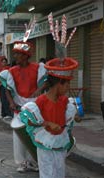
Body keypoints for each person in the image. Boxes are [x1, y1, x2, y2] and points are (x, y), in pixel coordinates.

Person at [19, 13, 80, 178]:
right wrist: (47, 123)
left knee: (60, 172)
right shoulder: (40, 101)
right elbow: (28, 118)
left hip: (60, 144)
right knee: (47, 173)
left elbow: (72, 117)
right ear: (57, 83)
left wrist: (76, 115)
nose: (68, 87)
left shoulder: (65, 101)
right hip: (45, 142)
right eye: (66, 84)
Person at [5, 40, 47, 173]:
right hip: (19, 106)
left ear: (25, 55)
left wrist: (40, 89)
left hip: (35, 106)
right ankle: (22, 162)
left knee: (36, 134)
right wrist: (11, 102)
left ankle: (36, 161)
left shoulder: (38, 67)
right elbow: (7, 89)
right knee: (18, 136)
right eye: (15, 54)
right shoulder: (11, 71)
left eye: (17, 54)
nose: (15, 57)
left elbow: (47, 81)